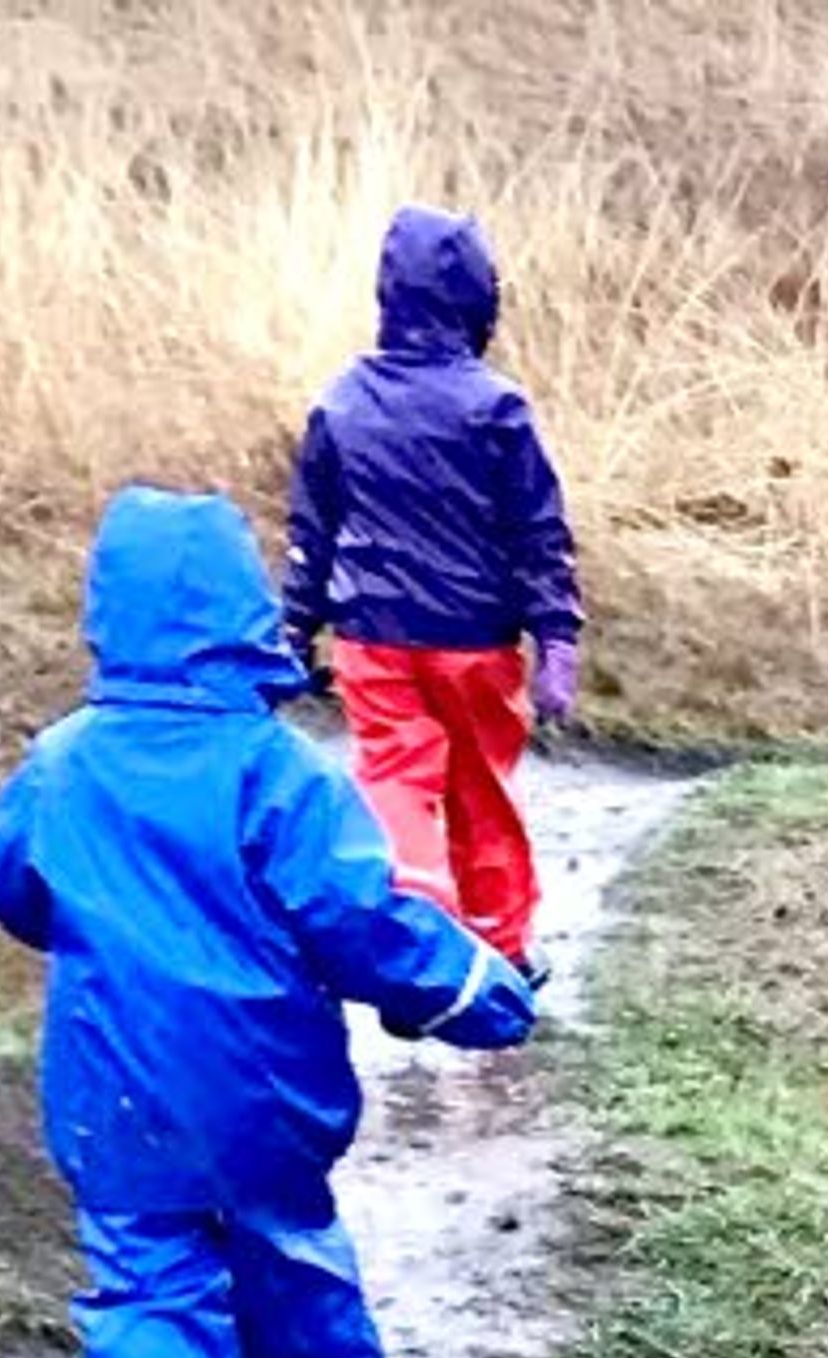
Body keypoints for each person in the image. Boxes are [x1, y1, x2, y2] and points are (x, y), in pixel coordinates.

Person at [0, 488, 539, 1358]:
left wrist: (96, 928)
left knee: (146, 1291)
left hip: (112, 1090)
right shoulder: (270, 770)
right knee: (289, 1264)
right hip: (260, 1093)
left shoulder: (64, 762)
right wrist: (479, 993)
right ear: (244, 613)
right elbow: (356, 918)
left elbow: (3, 878)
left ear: (106, 615)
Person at [285, 205, 582, 970]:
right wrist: (555, 637)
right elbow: (537, 533)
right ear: (479, 300)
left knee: (393, 776)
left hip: (371, 639)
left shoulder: (343, 400)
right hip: (474, 643)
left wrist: (293, 631)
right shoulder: (497, 409)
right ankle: (501, 950)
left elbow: (311, 531)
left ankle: (412, 933)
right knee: (482, 793)